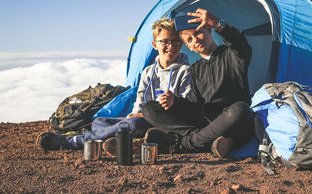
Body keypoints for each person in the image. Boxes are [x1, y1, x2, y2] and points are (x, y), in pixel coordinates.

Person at [36, 18, 192, 155]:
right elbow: (140, 101)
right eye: (165, 41)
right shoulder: (148, 72)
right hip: (141, 119)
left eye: (176, 41)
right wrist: (136, 114)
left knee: (132, 124)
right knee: (100, 121)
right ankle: (125, 141)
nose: (171, 46)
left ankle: (74, 141)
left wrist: (142, 116)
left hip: (163, 124)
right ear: (154, 44)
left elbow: (183, 106)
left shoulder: (185, 71)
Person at [142, 8, 254, 159]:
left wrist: (219, 24)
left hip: (229, 121)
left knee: (241, 110)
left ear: (208, 29)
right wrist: (175, 102)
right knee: (150, 109)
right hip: (204, 124)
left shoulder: (231, 56)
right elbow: (195, 105)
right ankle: (207, 142)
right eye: (189, 40)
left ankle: (182, 145)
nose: (195, 40)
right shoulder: (196, 69)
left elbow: (241, 45)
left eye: (197, 33)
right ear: (188, 47)